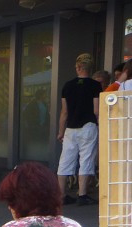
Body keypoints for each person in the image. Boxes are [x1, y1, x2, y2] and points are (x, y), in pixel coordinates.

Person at [58, 53, 102, 206]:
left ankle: (61, 195)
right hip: (88, 126)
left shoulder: (67, 86)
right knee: (86, 159)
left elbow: (64, 112)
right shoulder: (95, 86)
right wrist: (100, 125)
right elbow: (96, 110)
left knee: (65, 160)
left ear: (78, 68)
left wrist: (60, 131)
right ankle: (82, 195)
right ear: (89, 69)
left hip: (70, 128)